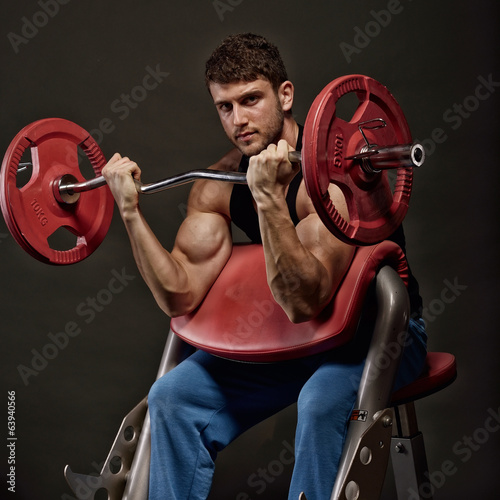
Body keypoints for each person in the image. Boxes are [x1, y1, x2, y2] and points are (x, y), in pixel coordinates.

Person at [102, 33, 427, 500]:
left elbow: (302, 302)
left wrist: (270, 199)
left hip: (381, 338)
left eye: (251, 99)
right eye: (225, 107)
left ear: (286, 95)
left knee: (319, 402)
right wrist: (130, 215)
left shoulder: (338, 178)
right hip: (301, 343)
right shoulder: (217, 184)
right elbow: (180, 294)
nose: (239, 120)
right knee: (173, 398)